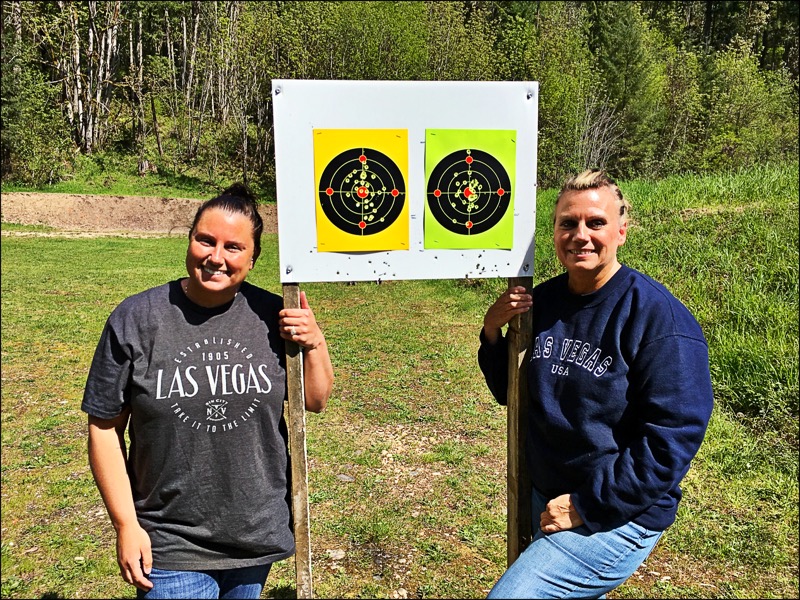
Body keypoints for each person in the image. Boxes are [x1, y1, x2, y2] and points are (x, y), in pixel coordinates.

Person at [82, 183, 334, 599]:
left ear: (252, 260)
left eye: (233, 247)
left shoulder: (272, 315)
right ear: (189, 242)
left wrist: (314, 341)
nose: (216, 257)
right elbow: (104, 427)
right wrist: (126, 524)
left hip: (254, 535)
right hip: (170, 540)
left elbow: (315, 399)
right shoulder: (137, 319)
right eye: (205, 240)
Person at [478, 169, 713, 599]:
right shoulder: (541, 304)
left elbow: (672, 440)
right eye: (568, 223)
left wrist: (587, 505)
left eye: (596, 222)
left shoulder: (657, 319)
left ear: (621, 230)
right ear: (553, 232)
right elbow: (510, 393)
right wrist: (494, 332)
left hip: (617, 510)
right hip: (548, 495)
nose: (580, 235)